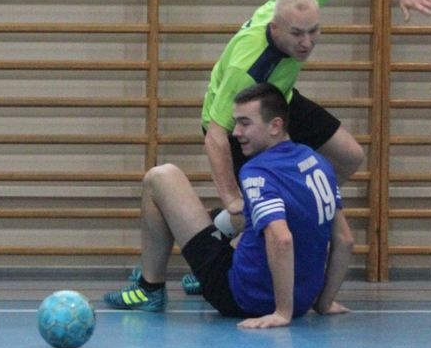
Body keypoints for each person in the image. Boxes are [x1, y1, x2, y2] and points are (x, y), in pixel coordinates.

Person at [203, 0, 431, 237]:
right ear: (275, 28)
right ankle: (220, 231)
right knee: (249, 212)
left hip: (279, 98)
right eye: (297, 34)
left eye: (314, 31)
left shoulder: (300, 1)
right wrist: (231, 200)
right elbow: (215, 135)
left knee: (349, 156)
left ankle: (291, 214)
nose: (307, 43)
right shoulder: (246, 69)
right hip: (237, 118)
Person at [105, 83, 353, 329]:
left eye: (245, 123)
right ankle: (215, 236)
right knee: (238, 216)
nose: (235, 132)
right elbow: (344, 240)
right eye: (235, 123)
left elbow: (282, 239)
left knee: (161, 177)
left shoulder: (258, 171)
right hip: (302, 300)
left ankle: (150, 288)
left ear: (275, 126)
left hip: (241, 296)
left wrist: (282, 313)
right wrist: (323, 302)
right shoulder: (318, 162)